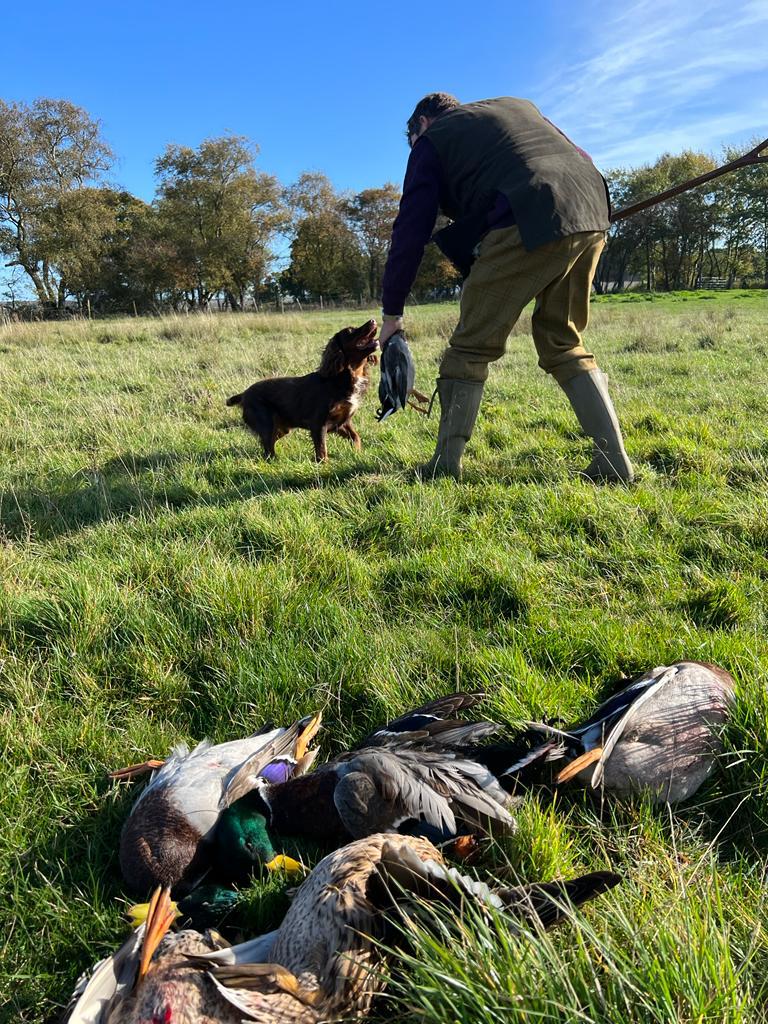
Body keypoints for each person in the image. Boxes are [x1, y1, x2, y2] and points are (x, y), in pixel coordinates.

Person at [378, 93, 634, 483]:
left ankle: (444, 467)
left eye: (411, 141)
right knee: (563, 339)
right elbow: (573, 158)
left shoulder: (433, 141)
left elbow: (411, 230)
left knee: (469, 346)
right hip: (592, 208)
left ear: (422, 125)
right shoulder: (516, 108)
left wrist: (392, 313)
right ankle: (613, 462)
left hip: (530, 213)